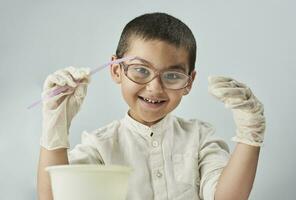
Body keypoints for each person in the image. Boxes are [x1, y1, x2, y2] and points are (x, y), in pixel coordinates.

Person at [37, 12, 266, 200]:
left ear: (189, 82)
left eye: (173, 75)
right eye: (141, 70)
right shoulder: (100, 146)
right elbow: (54, 198)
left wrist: (250, 134)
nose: (155, 88)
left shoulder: (200, 137)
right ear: (117, 70)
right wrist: (55, 129)